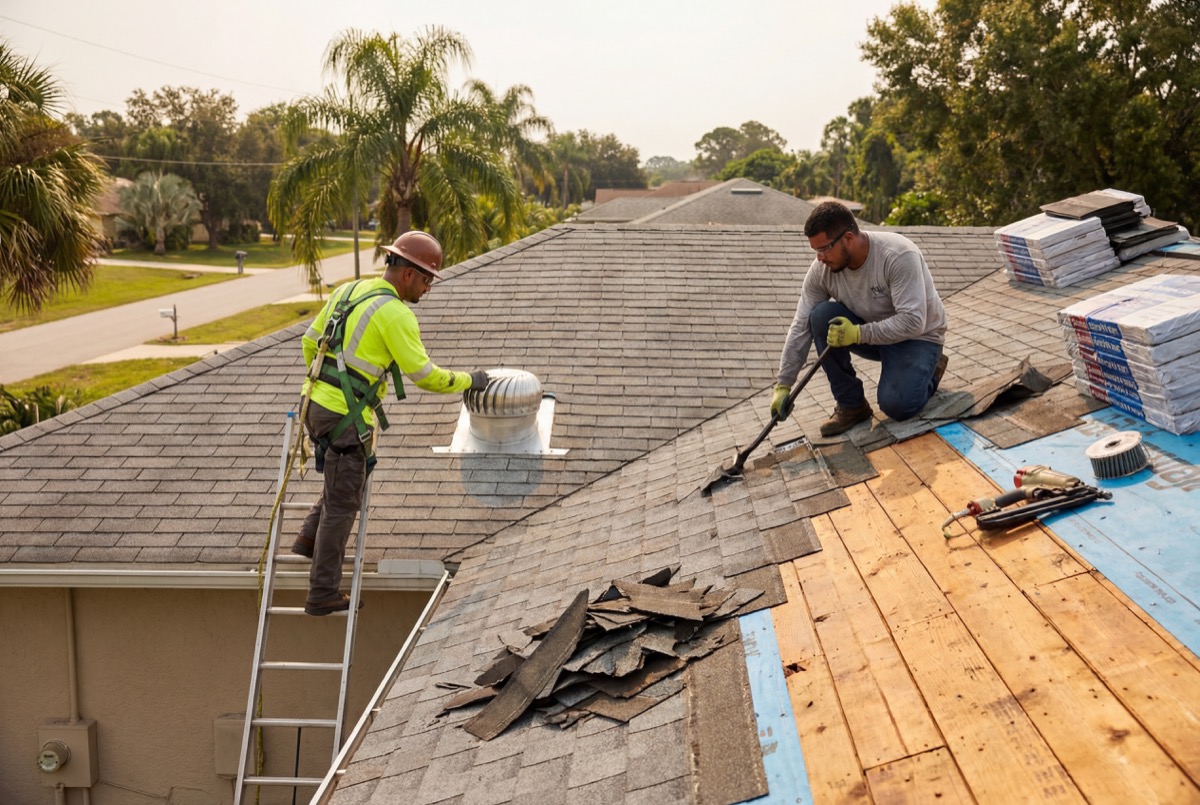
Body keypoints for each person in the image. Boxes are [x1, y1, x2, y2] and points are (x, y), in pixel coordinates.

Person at [291, 230, 490, 615]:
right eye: (428, 278)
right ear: (408, 274)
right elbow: (425, 375)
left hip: (314, 407)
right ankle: (322, 593)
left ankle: (307, 539)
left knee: (343, 480)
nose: (429, 287)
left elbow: (308, 342)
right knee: (343, 505)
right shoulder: (396, 314)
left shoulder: (348, 292)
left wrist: (327, 387)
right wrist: (470, 380)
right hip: (345, 417)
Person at [773, 201, 948, 437]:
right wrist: (784, 384)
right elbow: (801, 324)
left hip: (919, 338)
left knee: (897, 406)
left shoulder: (897, 255)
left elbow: (913, 321)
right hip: (873, 335)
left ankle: (930, 370)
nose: (820, 258)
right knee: (821, 316)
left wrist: (857, 333)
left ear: (847, 238)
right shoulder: (821, 270)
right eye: (815, 251)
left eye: (824, 249)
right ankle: (851, 405)